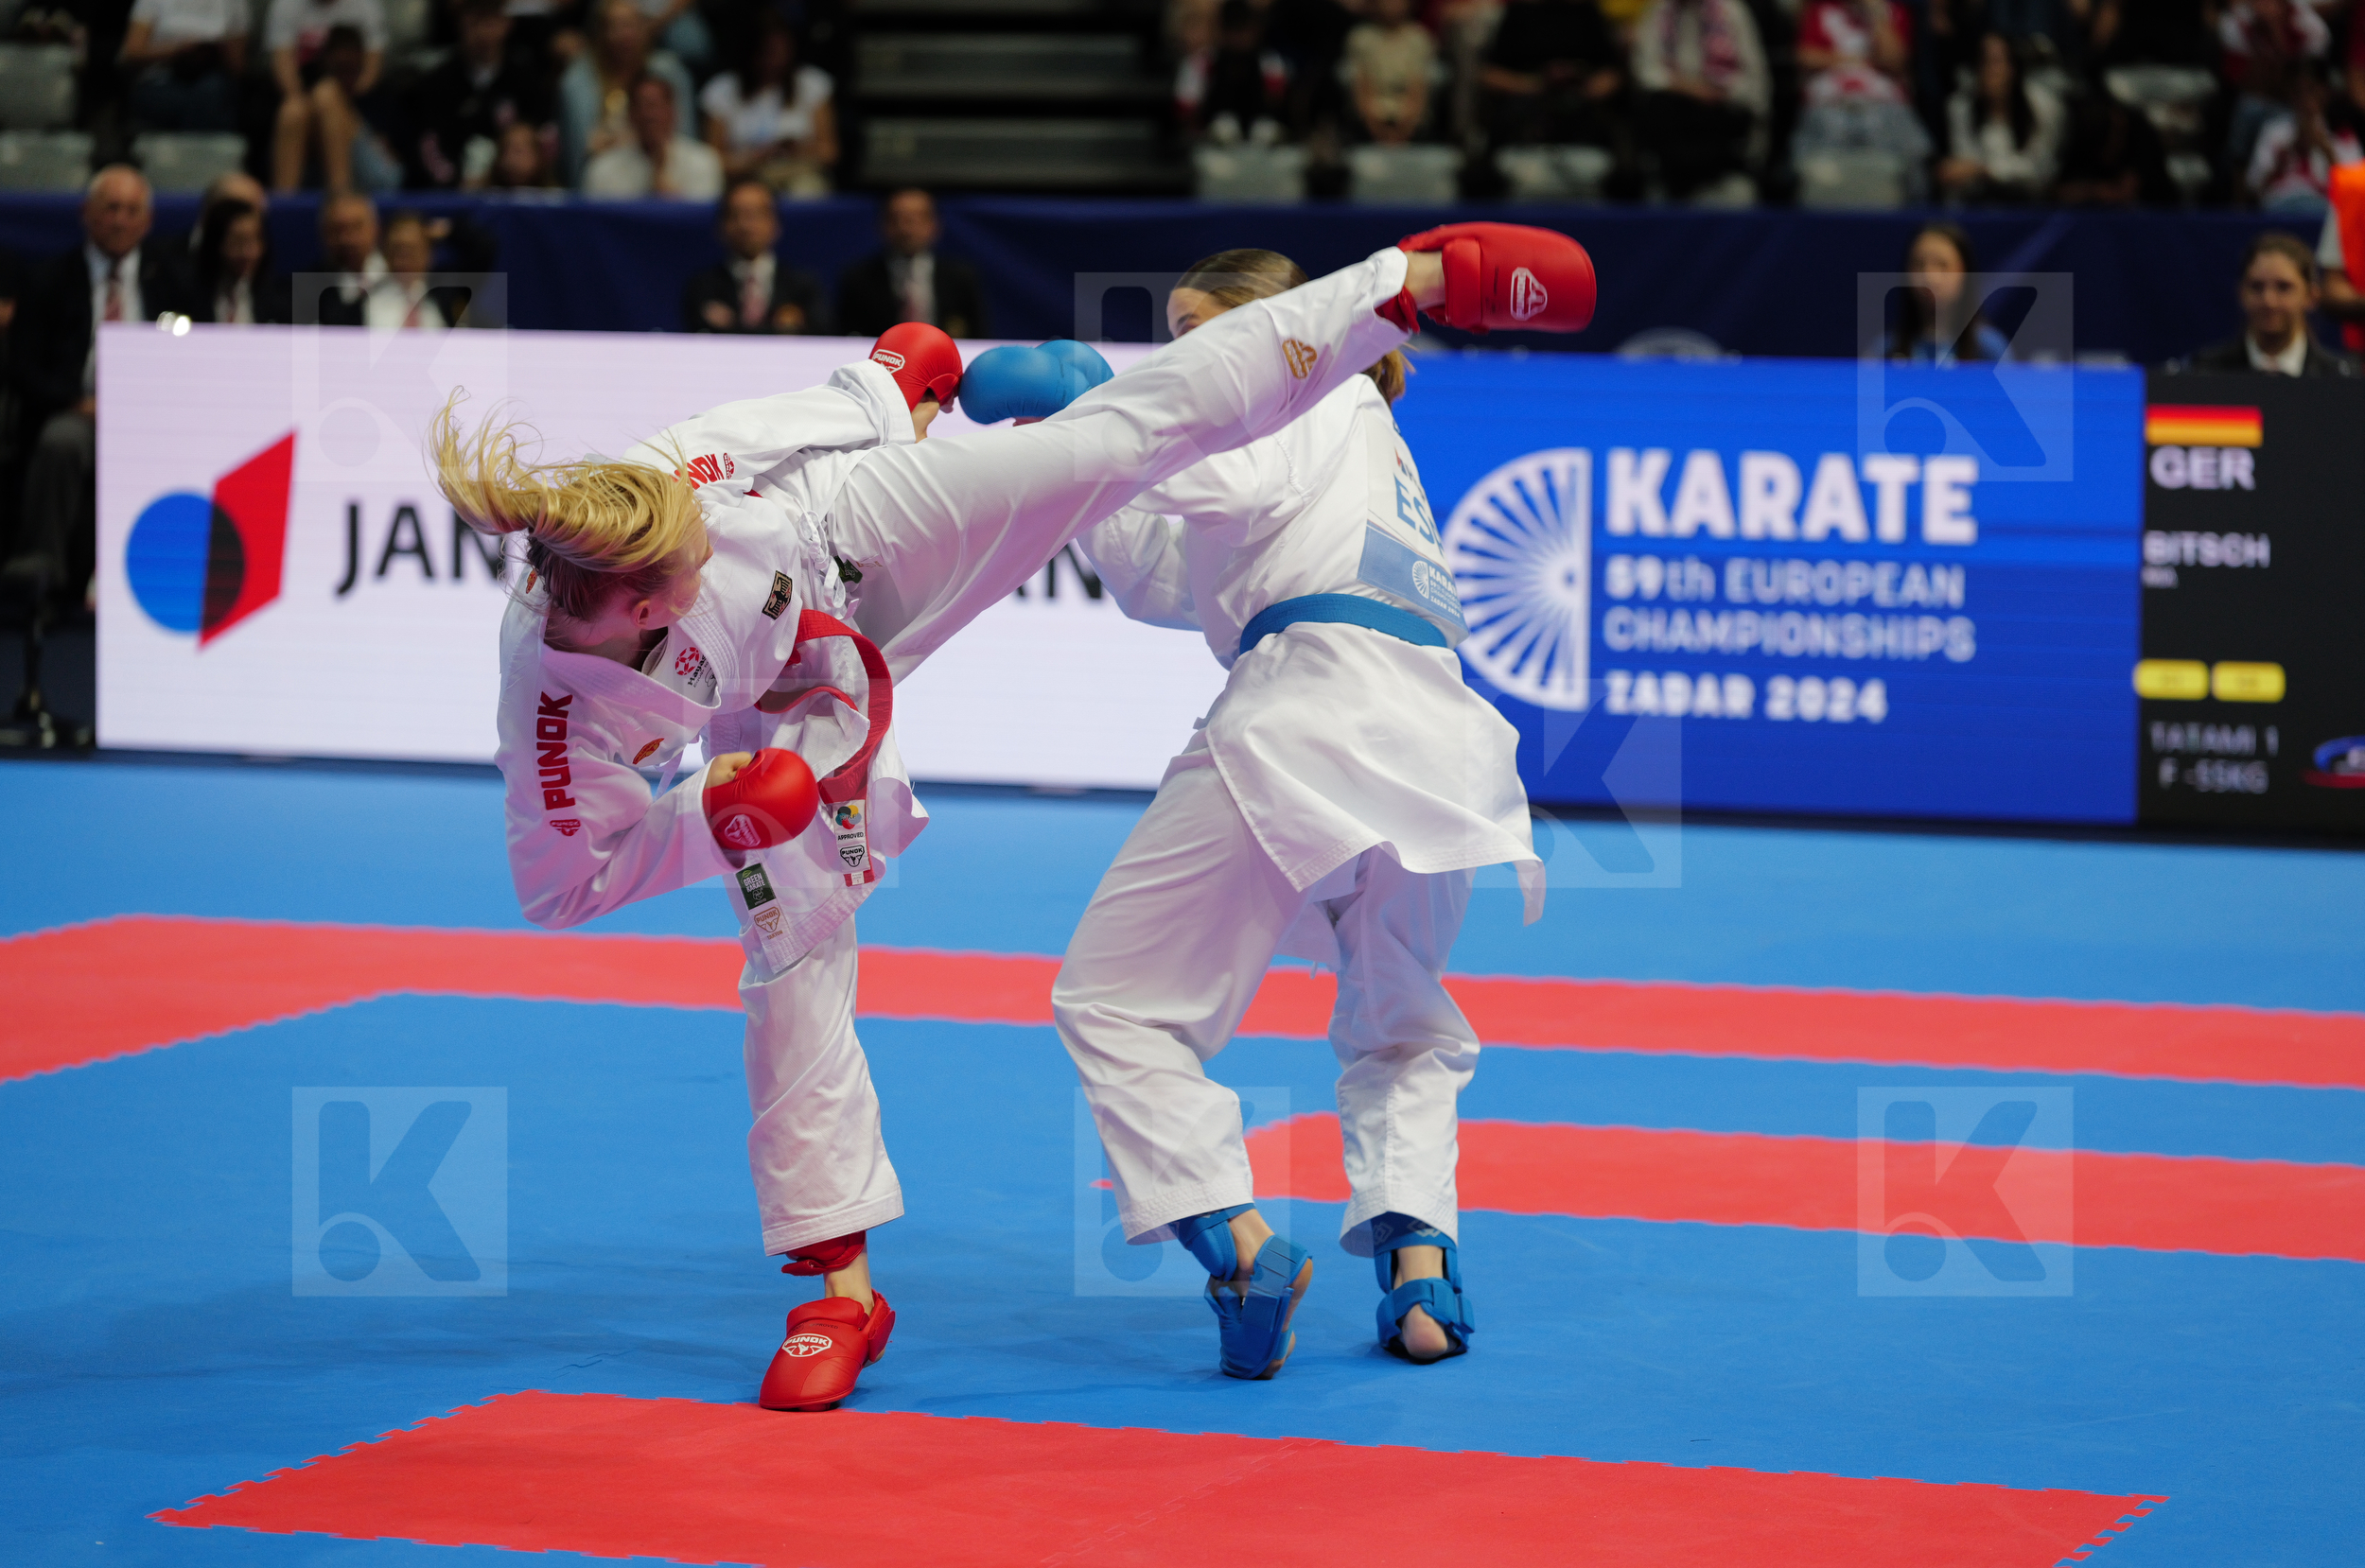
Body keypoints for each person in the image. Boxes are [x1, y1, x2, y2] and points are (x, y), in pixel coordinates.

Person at [430, 220, 1591, 1411]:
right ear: (619, 612)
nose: (693, 573)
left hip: (864, 535)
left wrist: (891, 386)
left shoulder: (691, 475)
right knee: (791, 950)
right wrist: (716, 809)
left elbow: (834, 425)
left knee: (1111, 440)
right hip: (803, 713)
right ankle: (839, 1289)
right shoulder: (557, 708)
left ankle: (1412, 280)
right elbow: (564, 884)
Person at [1058, 242, 1573, 1382]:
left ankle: (1238, 1246)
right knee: (1401, 1021)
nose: (1187, 353)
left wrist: (1085, 410)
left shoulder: (1299, 380)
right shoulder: (1355, 421)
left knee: (1116, 1001)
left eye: (1203, 327)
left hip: (1310, 710)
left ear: (1269, 323)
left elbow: (1212, 476)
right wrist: (1077, 458)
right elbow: (1159, 577)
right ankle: (1422, 1273)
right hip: (1434, 734)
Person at [8, 167, 200, 616]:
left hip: (153, 417)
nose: (119, 221)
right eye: (110, 209)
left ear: (147, 222)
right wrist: (78, 402)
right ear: (86, 214)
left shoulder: (173, 282)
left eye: (131, 211)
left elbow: (194, 352)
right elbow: (22, 366)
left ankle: (173, 583)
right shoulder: (49, 279)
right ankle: (41, 579)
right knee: (61, 442)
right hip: (79, 412)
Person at [1629, 0, 1770, 200]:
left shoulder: (1731, 11)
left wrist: (1719, 90)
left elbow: (1754, 80)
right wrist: (1689, 88)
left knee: (1736, 194)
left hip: (1718, 123)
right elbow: (1645, 71)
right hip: (1673, 127)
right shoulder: (1658, 10)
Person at [407, 0, 553, 190]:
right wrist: (456, 183)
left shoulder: (525, 79)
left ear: (507, 23)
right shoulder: (438, 82)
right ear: (459, 23)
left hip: (516, 193)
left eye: (490, 21)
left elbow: (544, 138)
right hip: (455, 196)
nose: (483, 32)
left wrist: (516, 174)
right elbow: (429, 146)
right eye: (474, 21)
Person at [2171, 229, 2356, 375]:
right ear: (2241, 293)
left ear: (2312, 297)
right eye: (2257, 287)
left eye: (2284, 288)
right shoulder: (2205, 373)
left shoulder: (2341, 379)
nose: (2269, 301)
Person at [1790, 0, 1930, 196]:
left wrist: (1876, 14)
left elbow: (1894, 61)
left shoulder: (1895, 12)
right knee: (1808, 159)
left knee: (1913, 153)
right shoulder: (1823, 9)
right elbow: (1805, 56)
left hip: (1884, 107)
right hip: (1831, 105)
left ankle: (1916, 216)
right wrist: (1857, 60)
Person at [557, 0, 696, 187]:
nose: (625, 35)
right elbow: (580, 149)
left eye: (631, 25)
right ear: (601, 33)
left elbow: (684, 137)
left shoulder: (670, 72)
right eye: (616, 26)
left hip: (665, 170)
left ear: (644, 28)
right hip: (609, 175)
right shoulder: (578, 81)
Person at [699, 11, 836, 197]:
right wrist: (753, 158)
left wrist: (798, 149)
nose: (776, 61)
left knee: (806, 189)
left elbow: (830, 152)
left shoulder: (812, 84)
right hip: (743, 178)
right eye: (768, 52)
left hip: (798, 173)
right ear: (751, 51)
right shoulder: (722, 90)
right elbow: (709, 161)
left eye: (782, 51)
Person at [267, 0, 391, 191]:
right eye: (337, 65)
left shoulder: (366, 6)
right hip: (311, 133)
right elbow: (285, 74)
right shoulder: (287, 5)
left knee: (327, 95)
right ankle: (284, 210)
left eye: (348, 66)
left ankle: (341, 202)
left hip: (366, 140)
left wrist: (333, 107)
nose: (343, 67)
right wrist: (317, 111)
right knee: (293, 110)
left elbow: (370, 77)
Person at [834, 188, 988, 339]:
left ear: (934, 224)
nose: (905, 229)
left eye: (914, 219)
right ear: (882, 224)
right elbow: (847, 337)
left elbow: (978, 335)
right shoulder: (859, 278)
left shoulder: (960, 277)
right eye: (896, 219)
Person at [1478, 0, 1627, 153]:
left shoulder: (1587, 13)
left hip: (1583, 119)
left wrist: (1581, 87)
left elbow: (1613, 74)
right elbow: (1489, 75)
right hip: (1525, 119)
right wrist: (1539, 84)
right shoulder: (1519, 13)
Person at [683, 177, 827, 334]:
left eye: (755, 215)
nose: (745, 226)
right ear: (721, 226)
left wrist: (732, 326)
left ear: (775, 224)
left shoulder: (802, 286)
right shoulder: (703, 286)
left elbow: (821, 334)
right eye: (735, 215)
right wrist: (779, 329)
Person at [1938, 32, 2063, 204]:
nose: (1990, 71)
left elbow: (2040, 170)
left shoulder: (2044, 106)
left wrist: (1985, 170)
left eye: (1997, 62)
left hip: (2032, 203)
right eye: (1984, 62)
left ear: (2013, 67)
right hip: (1978, 203)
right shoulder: (1960, 107)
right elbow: (1962, 168)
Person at [1883, 220, 2010, 362]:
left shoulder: (1989, 349)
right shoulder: (1886, 349)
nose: (1930, 278)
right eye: (1919, 265)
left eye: (1942, 265)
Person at [584, 74, 723, 200]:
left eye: (655, 106)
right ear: (630, 115)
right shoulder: (603, 168)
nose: (649, 115)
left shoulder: (704, 162)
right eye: (641, 107)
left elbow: (700, 221)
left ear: (673, 112)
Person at [119, 0, 250, 131]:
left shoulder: (234, 3)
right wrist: (178, 50)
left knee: (211, 91)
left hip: (212, 78)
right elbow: (131, 53)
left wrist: (217, 50)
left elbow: (238, 67)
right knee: (205, 103)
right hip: (161, 79)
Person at [1174, 0, 1290, 145]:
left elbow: (1281, 108)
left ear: (1255, 30)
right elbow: (1186, 113)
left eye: (1243, 30)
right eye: (1233, 30)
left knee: (1265, 130)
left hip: (1261, 145)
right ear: (1221, 30)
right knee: (1224, 127)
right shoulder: (1201, 64)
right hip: (1213, 146)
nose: (1238, 39)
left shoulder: (1270, 63)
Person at [2246, 69, 2361, 213]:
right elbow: (2254, 190)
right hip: (2280, 208)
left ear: (2324, 92)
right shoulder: (2274, 131)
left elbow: (2354, 191)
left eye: (2311, 90)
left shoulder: (2341, 134)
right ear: (2291, 95)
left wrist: (2326, 150)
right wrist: (2283, 160)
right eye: (2299, 91)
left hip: (2323, 211)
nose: (2305, 98)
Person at [1343, 0, 1436, 144]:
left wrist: (1404, 132)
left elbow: (1418, 90)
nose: (1392, 5)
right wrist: (1377, 130)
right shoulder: (1361, 38)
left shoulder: (1419, 38)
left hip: (1410, 120)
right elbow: (1361, 88)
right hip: (1370, 120)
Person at [193, 198, 292, 323]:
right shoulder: (188, 294)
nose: (247, 253)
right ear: (216, 243)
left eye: (254, 241)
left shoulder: (281, 298)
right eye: (238, 242)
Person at [307, 190, 382, 324]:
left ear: (375, 227)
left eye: (356, 227)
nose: (348, 239)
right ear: (323, 233)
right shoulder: (310, 289)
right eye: (338, 230)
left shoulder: (402, 273)